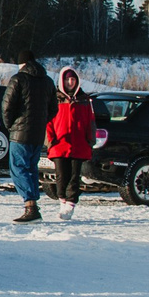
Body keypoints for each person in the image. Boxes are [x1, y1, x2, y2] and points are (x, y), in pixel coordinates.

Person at [0, 52, 57, 223]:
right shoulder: (48, 81)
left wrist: (11, 126)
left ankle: (30, 206)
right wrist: (40, 123)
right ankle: (33, 205)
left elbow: (6, 106)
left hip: (20, 133)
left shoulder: (18, 79)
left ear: (21, 63)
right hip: (38, 134)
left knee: (18, 167)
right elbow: (54, 109)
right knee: (31, 168)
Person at [46, 67, 96, 219]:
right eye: (67, 79)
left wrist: (90, 140)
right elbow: (48, 121)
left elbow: (90, 122)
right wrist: (50, 140)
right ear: (62, 81)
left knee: (74, 176)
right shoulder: (55, 99)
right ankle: (62, 202)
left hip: (79, 144)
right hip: (59, 144)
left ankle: (70, 204)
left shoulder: (85, 100)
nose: (70, 82)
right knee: (61, 176)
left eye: (73, 79)